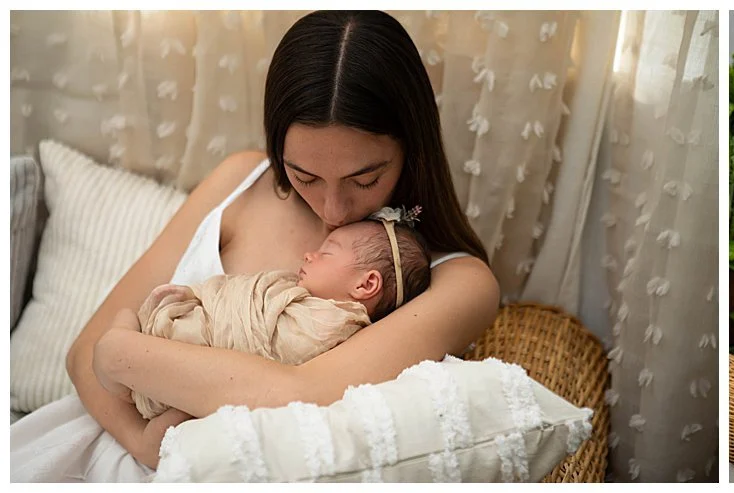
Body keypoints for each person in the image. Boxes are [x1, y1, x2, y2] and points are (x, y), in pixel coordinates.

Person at [11, 10, 499, 482]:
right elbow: (83, 353)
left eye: (365, 179)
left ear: (412, 148)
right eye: (304, 175)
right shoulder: (241, 181)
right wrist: (142, 441)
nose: (332, 210)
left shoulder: (457, 281)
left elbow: (298, 394)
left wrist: (123, 358)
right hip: (107, 442)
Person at [125, 212, 430, 420]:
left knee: (128, 329)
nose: (309, 255)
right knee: (130, 323)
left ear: (366, 284)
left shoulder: (331, 326)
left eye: (326, 253)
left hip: (192, 360)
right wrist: (207, 297)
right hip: (179, 347)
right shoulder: (295, 294)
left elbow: (275, 349)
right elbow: (243, 294)